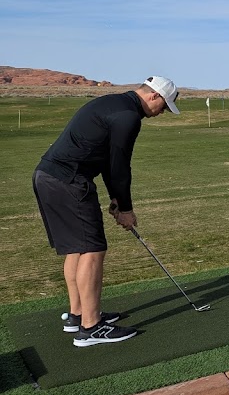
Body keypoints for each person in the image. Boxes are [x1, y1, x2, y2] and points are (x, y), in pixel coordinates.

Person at [32, 76, 180, 347]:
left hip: (48, 176)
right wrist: (125, 209)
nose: (161, 114)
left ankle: (78, 315)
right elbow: (120, 166)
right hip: (69, 181)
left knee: (77, 248)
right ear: (154, 97)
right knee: (92, 249)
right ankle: (91, 328)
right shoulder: (129, 117)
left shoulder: (114, 103)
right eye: (164, 107)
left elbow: (110, 163)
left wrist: (115, 198)